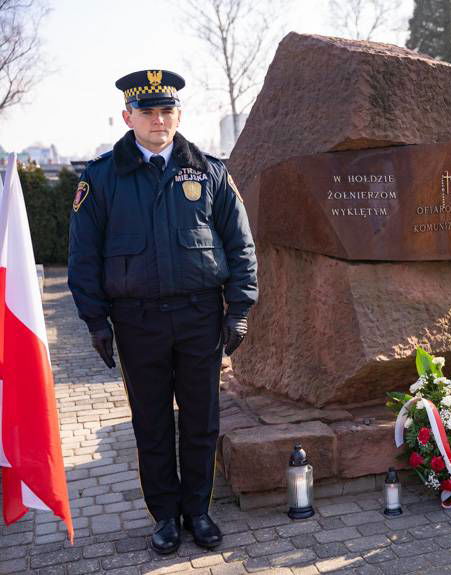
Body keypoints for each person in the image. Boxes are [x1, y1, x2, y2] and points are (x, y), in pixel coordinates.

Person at [68, 70, 257, 554]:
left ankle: (197, 510)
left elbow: (240, 245)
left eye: (166, 110)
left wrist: (238, 308)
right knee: (151, 423)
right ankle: (165, 517)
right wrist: (95, 320)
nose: (158, 120)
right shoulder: (102, 177)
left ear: (178, 114)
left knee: (201, 419)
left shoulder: (209, 170)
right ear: (127, 116)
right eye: (147, 111)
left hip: (199, 317)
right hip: (137, 322)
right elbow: (83, 255)